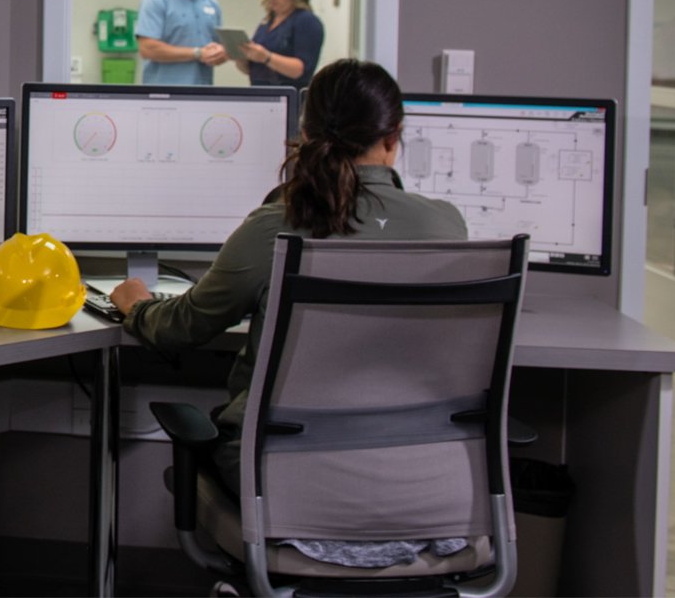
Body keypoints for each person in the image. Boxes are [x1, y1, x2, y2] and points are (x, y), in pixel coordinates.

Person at [108, 59, 466, 491]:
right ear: (393, 137)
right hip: (415, 483)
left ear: (307, 135)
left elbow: (182, 328)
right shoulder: (447, 229)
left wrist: (138, 305)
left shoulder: (274, 226)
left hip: (282, 482)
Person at [242, 0, 325, 88]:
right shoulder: (267, 22)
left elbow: (300, 70)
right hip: (261, 96)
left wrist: (266, 57)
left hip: (289, 100)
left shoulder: (306, 21)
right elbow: (254, 70)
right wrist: (241, 57)